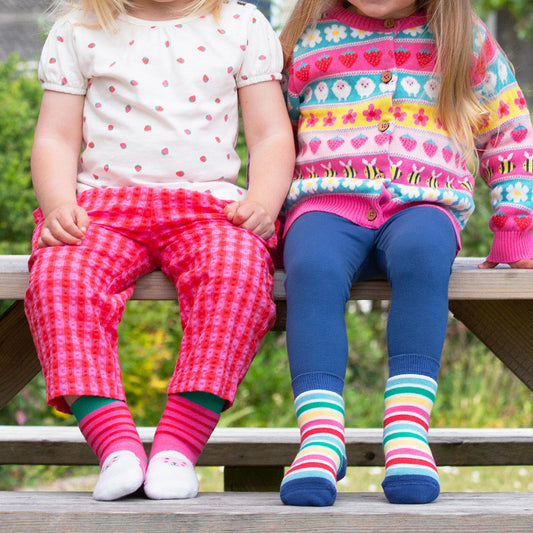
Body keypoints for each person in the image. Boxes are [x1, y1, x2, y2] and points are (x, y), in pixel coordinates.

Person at [25, 0, 294, 501]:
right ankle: (115, 446)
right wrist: (59, 201)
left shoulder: (239, 25)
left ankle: (177, 446)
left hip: (207, 207)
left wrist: (263, 199)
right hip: (102, 207)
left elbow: (271, 133)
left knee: (237, 277)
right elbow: (56, 138)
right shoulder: (80, 28)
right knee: (59, 280)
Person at [278, 0, 533, 506]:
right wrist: (266, 223)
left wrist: (516, 225)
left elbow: (507, 129)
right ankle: (319, 439)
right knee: (311, 266)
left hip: (423, 206)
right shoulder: (310, 36)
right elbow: (274, 136)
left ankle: (408, 431)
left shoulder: (464, 39)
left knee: (423, 254)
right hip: (328, 203)